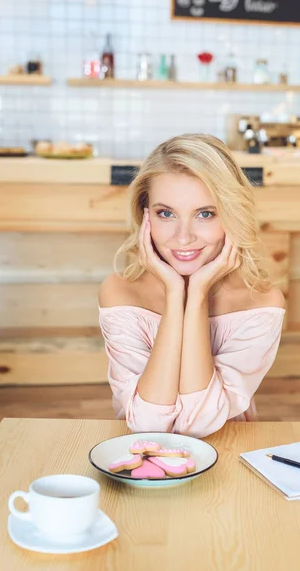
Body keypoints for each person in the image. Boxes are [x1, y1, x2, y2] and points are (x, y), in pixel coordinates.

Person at [98, 133, 286, 438]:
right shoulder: (120, 293)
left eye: (205, 214)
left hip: (228, 455)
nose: (183, 237)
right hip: (142, 464)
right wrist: (176, 296)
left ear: (231, 216)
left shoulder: (260, 305)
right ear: (145, 216)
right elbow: (147, 425)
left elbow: (198, 424)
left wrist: (196, 296)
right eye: (166, 213)